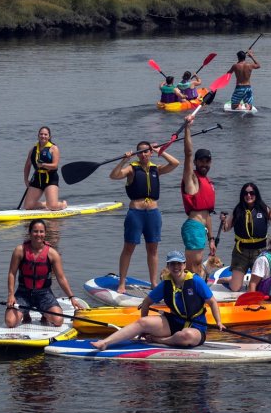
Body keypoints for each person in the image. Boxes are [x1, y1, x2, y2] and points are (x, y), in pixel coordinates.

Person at [91, 250, 223, 350]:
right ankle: (105, 343)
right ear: (168, 266)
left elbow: (212, 301)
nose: (175, 267)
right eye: (172, 264)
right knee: (143, 322)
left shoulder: (195, 281)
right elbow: (147, 302)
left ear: (184, 265)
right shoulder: (166, 284)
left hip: (196, 326)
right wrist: (145, 328)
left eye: (178, 263)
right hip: (174, 322)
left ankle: (160, 340)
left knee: (186, 335)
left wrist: (218, 322)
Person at [109, 119, 183, 293]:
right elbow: (114, 176)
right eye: (141, 152)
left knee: (153, 248)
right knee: (129, 248)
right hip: (136, 213)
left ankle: (153, 283)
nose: (143, 155)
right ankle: (121, 283)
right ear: (137, 154)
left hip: (153, 214)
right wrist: (122, 161)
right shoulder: (131, 169)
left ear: (150, 153)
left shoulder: (156, 168)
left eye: (146, 152)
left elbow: (175, 163)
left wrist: (161, 152)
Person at [4, 219, 86, 327]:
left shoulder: (52, 254)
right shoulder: (19, 251)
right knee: (10, 322)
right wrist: (11, 295)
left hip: (44, 294)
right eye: (35, 231)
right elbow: (12, 274)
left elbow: (61, 278)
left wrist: (71, 297)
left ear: (45, 233)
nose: (38, 234)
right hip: (23, 293)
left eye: (41, 231)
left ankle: (44, 313)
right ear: (29, 233)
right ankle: (25, 313)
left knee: (58, 321)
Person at [220, 181, 271, 291]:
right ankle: (230, 279)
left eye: (252, 193)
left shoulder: (264, 209)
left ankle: (245, 278)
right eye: (245, 193)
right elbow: (226, 229)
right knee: (235, 288)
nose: (248, 196)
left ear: (256, 194)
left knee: (261, 287)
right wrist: (223, 221)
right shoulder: (238, 210)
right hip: (241, 253)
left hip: (260, 252)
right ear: (242, 195)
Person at [180, 127, 216, 279]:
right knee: (193, 266)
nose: (204, 164)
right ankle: (189, 293)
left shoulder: (207, 181)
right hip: (193, 227)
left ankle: (195, 291)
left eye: (207, 161)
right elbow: (188, 153)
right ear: (195, 162)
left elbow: (207, 214)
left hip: (202, 229)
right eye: (201, 161)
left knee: (198, 265)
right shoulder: (192, 179)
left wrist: (211, 239)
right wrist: (187, 127)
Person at [22, 126, 67, 210]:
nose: (43, 136)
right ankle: (46, 203)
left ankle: (62, 204)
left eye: (45, 134)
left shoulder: (54, 148)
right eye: (41, 134)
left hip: (50, 178)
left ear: (49, 136)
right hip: (37, 179)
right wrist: (26, 180)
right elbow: (27, 165)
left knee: (53, 207)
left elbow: (55, 166)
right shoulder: (33, 150)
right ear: (38, 135)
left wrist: (43, 165)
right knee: (27, 207)